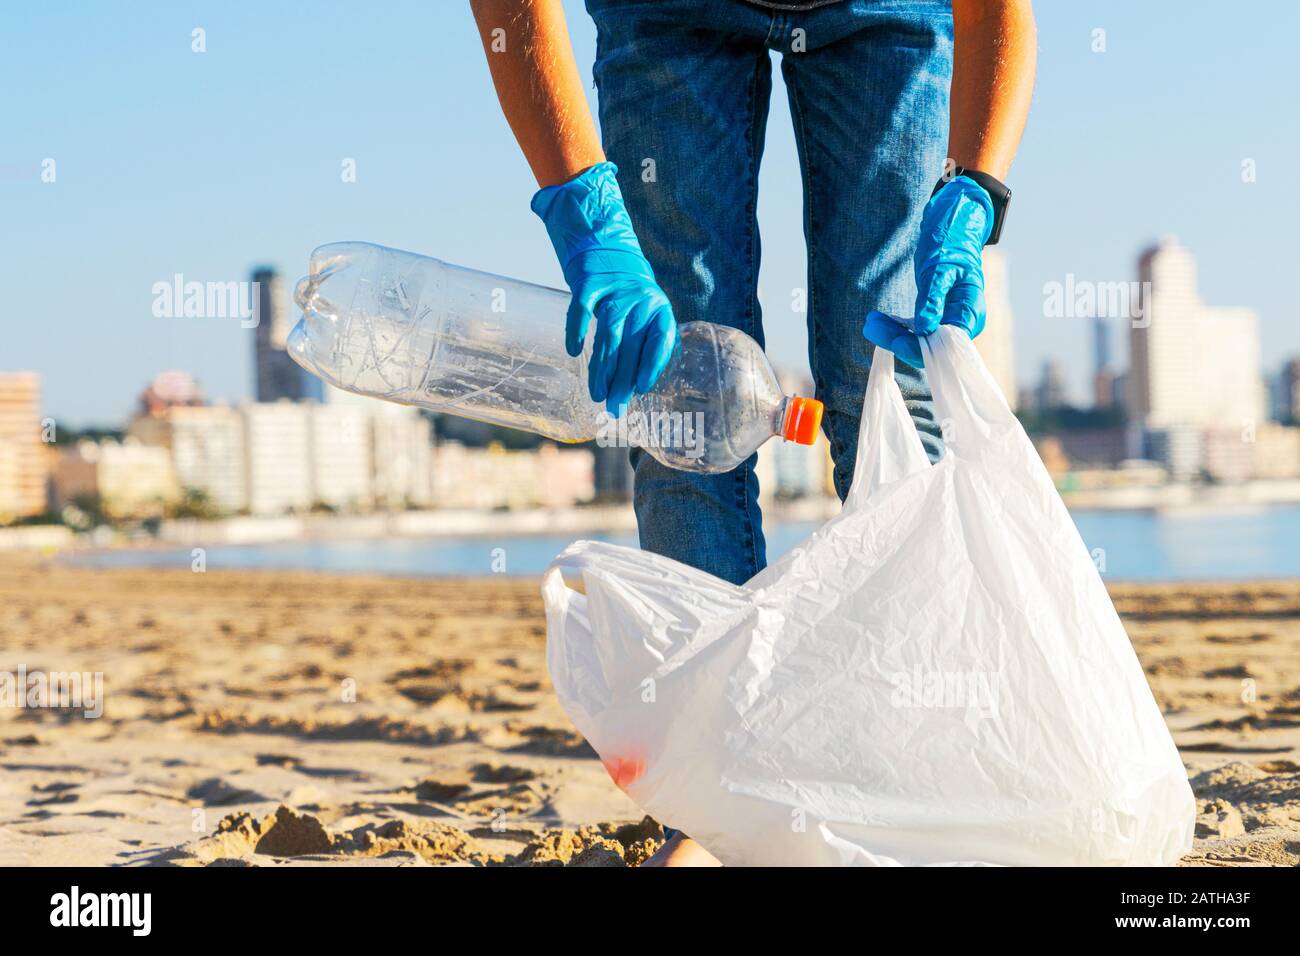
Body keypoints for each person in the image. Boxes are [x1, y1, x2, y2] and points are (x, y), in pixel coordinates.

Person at [471, 0, 1035, 866]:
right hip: (667, 13)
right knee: (675, 398)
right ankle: (719, 799)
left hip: (885, 14)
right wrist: (583, 204)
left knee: (884, 379)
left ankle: (905, 759)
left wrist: (975, 188)